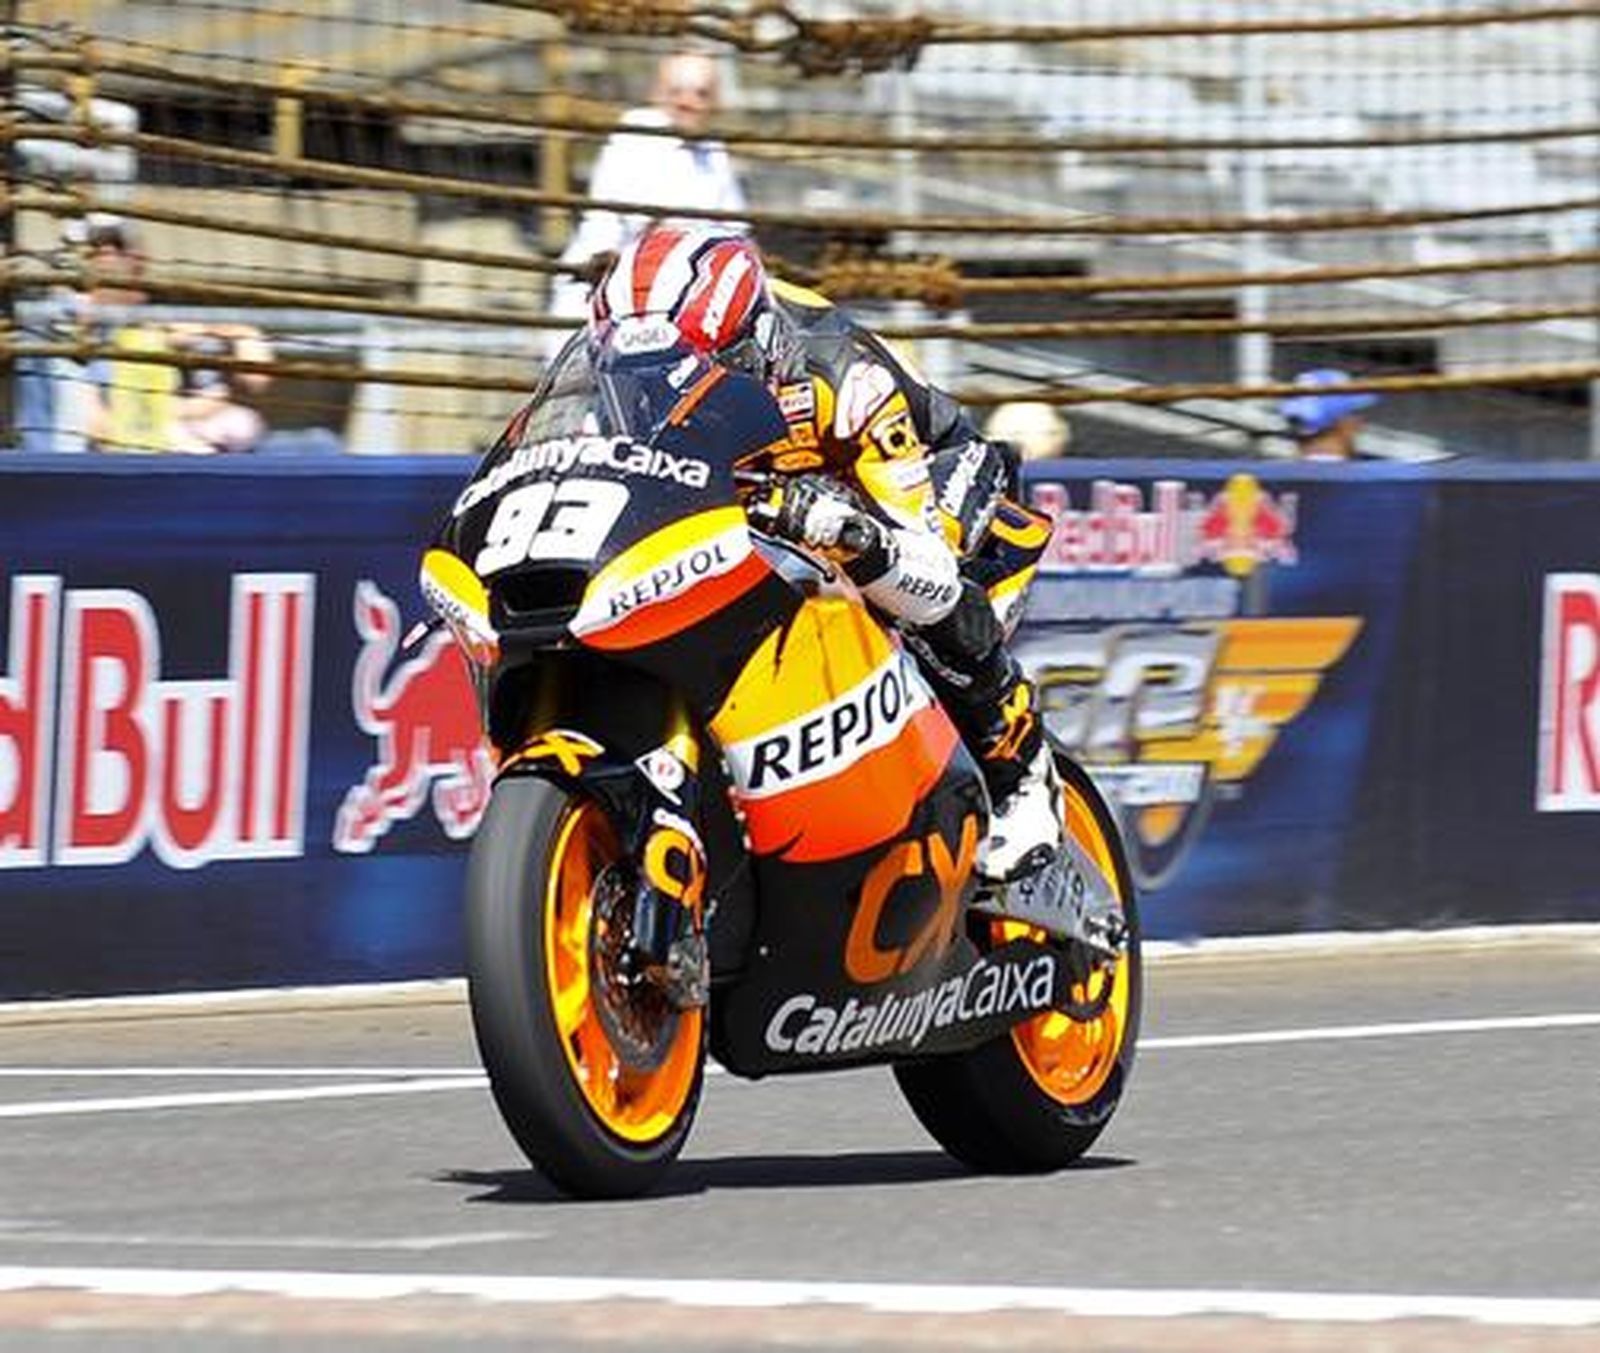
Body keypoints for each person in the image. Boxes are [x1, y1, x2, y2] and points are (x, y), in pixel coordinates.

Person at [586, 225, 1062, 882]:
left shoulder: (844, 377)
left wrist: (852, 533)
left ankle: (1025, 776)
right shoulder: (624, 382)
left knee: (916, 598)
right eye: (639, 381)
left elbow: (924, 560)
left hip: (913, 472)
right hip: (769, 495)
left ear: (754, 348)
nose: (662, 398)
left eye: (693, 375)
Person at [549, 52, 748, 327]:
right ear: (657, 94)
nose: (686, 102)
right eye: (675, 91)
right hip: (605, 293)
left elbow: (736, 234)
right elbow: (658, 229)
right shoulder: (639, 135)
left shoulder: (711, 150)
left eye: (700, 93)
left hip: (669, 293)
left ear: (716, 102)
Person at [1279, 368, 1379, 461]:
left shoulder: (1269, 476)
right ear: (1343, 424)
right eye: (1354, 413)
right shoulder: (1366, 478)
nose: (1360, 423)